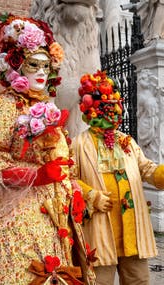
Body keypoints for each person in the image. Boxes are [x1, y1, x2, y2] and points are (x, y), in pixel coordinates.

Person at [0, 12, 96, 285]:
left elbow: (64, 160)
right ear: (15, 66)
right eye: (32, 64)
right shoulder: (2, 107)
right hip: (17, 220)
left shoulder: (46, 108)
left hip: (55, 216)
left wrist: (76, 189)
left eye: (45, 66)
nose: (40, 72)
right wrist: (36, 176)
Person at [72, 70, 164, 285]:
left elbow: (148, 170)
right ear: (91, 109)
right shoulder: (78, 144)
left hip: (133, 232)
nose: (113, 110)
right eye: (106, 105)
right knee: (99, 281)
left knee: (139, 280)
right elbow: (67, 178)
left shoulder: (128, 142)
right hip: (100, 231)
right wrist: (91, 195)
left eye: (116, 104)